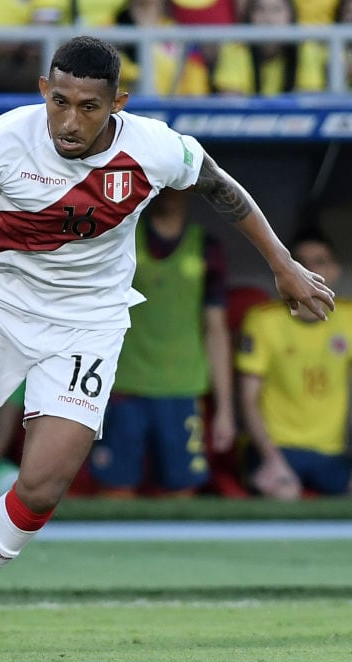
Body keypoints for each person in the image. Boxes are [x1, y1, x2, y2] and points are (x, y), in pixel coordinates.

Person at [0, 35, 335, 657]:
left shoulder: (153, 148)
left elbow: (221, 187)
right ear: (43, 92)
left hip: (89, 322)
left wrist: (282, 264)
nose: (70, 121)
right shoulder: (4, 140)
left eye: (89, 107)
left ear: (118, 103)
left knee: (42, 486)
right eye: (59, 102)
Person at [89, 187, 235, 497]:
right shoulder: (121, 240)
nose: (168, 192)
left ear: (190, 188)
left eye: (175, 184)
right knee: (115, 492)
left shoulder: (206, 248)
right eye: (162, 184)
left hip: (182, 388)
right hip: (122, 385)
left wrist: (224, 408)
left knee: (183, 492)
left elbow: (217, 331)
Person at [237, 228, 352, 499]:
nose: (310, 270)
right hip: (276, 448)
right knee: (284, 493)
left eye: (320, 262)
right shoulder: (263, 320)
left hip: (331, 452)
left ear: (335, 270)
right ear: (286, 270)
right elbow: (248, 398)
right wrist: (271, 459)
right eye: (301, 263)